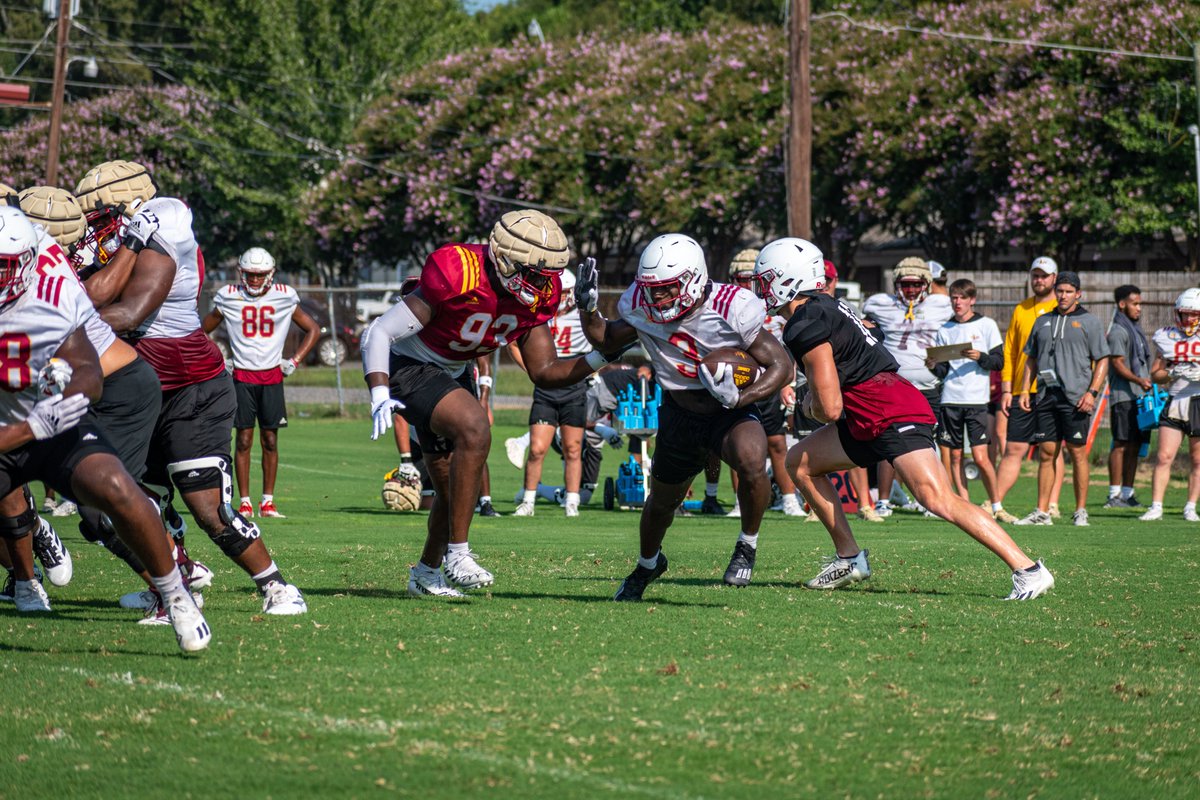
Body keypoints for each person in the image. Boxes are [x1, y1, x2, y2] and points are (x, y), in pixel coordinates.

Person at [752, 236, 1053, 600]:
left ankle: (1028, 570)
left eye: (766, 279)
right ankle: (849, 557)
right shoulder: (824, 306)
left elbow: (829, 409)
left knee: (937, 497)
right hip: (871, 406)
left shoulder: (804, 322)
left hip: (887, 407)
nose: (761, 288)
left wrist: (801, 405)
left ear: (788, 280)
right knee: (799, 462)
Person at [75, 159, 306, 615]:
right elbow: (97, 293)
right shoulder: (120, 238)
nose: (96, 221)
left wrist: (56, 321)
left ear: (131, 201)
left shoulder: (166, 217)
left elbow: (130, 311)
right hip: (134, 390)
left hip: (189, 386)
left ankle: (277, 587)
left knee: (205, 503)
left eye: (104, 209)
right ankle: (175, 586)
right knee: (102, 509)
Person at [362, 209, 613, 598]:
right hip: (409, 365)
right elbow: (379, 332)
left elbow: (545, 371)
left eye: (545, 275)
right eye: (532, 273)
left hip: (453, 368)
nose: (542, 284)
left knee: (452, 492)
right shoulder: (458, 271)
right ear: (504, 258)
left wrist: (601, 355)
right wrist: (379, 390)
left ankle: (426, 574)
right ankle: (458, 554)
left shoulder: (537, 297)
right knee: (475, 428)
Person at [0, 205, 211, 648]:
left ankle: (176, 596)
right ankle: (28, 564)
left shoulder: (48, 290)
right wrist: (30, 427)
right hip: (16, 426)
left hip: (48, 421)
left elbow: (88, 368)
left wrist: (70, 395)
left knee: (116, 486)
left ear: (24, 262)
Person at [576, 233, 793, 600]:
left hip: (727, 410)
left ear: (693, 279)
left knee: (752, 460)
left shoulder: (732, 306)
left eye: (665, 289)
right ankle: (648, 564)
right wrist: (587, 309)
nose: (656, 297)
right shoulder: (640, 304)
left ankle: (747, 544)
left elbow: (782, 366)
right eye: (651, 289)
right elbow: (607, 339)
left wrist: (742, 397)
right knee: (661, 502)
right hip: (678, 412)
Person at [202, 247, 320, 519]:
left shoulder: (285, 295)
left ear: (270, 274)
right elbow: (200, 331)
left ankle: (267, 502)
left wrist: (295, 360)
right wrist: (220, 358)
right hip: (241, 375)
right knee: (243, 440)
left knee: (270, 440)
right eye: (250, 275)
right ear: (241, 273)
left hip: (271, 377)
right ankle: (244, 502)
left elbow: (313, 329)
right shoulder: (228, 297)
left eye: (260, 275)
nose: (255, 280)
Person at [1014, 271, 1110, 526]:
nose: (1063, 295)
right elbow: (1031, 359)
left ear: (1078, 294)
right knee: (1046, 453)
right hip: (1046, 396)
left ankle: (1080, 511)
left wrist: (1092, 392)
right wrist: (1025, 390)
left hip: (1077, 398)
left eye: (1069, 291)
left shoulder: (1090, 322)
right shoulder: (1042, 321)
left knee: (1077, 453)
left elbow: (1103, 359)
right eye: (1060, 291)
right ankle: (1042, 512)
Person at [862, 257, 952, 516]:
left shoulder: (942, 305)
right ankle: (883, 500)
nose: (911, 290)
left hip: (928, 385)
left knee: (929, 444)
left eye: (916, 284)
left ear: (927, 284)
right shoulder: (880, 304)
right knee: (889, 442)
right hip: (895, 387)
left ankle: (935, 499)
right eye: (905, 284)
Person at [725, 248, 804, 518]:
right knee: (738, 445)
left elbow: (789, 345)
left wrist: (785, 382)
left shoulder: (773, 306)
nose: (747, 284)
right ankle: (739, 502)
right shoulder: (726, 306)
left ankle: (789, 498)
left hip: (769, 379)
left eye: (752, 278)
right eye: (741, 278)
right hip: (739, 380)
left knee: (777, 443)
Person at [510, 269, 591, 517]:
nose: (562, 297)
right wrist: (531, 370)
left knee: (573, 448)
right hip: (546, 388)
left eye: (566, 292)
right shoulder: (539, 314)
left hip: (574, 385)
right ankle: (528, 502)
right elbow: (513, 342)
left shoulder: (584, 317)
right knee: (536, 448)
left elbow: (603, 340)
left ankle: (572, 502)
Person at [994, 257, 1065, 522]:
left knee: (1052, 449)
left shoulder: (1063, 308)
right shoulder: (1021, 309)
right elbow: (1010, 351)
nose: (1039, 280)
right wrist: (1006, 390)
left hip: (1054, 391)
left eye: (1044, 276)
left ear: (1054, 278)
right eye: (1035, 275)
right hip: (1023, 391)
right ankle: (994, 504)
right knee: (1014, 449)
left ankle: (1052, 504)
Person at [927, 279, 1003, 507]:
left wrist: (981, 357)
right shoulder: (945, 329)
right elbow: (943, 371)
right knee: (956, 456)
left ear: (972, 300)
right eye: (954, 298)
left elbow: (999, 362)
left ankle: (996, 504)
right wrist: (932, 365)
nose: (957, 302)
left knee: (981, 457)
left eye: (962, 298)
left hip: (977, 401)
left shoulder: (987, 325)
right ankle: (965, 504)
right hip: (951, 399)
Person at [1140, 289, 1200, 522]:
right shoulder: (1167, 336)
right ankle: (1156, 506)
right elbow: (1156, 374)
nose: (1188, 319)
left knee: (1197, 460)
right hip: (1175, 399)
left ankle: (1190, 507)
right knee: (1164, 456)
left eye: (1193, 314)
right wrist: (1171, 373)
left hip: (1198, 399)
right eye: (1184, 314)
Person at [1104, 285, 1151, 509]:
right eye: (1135, 303)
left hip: (1139, 398)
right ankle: (1113, 495)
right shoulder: (1118, 331)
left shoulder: (1136, 329)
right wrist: (1139, 380)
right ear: (1122, 304)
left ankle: (1127, 493)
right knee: (1121, 444)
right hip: (1123, 397)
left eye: (1140, 303)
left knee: (1135, 445)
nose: (1139, 308)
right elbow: (1117, 363)